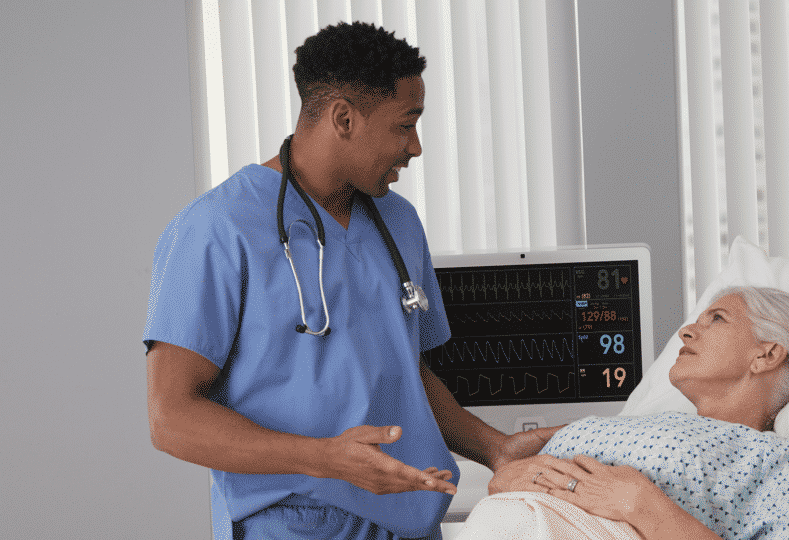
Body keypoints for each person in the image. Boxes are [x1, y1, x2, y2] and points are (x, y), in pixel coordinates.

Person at [144, 21, 558, 540]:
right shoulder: (215, 229)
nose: (416, 147)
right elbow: (172, 417)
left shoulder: (399, 222)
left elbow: (409, 374)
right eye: (405, 125)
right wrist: (324, 459)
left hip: (411, 518)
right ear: (344, 119)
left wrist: (494, 447)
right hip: (292, 524)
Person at [463, 286, 789, 539]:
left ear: (768, 353)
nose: (685, 332)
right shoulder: (648, 423)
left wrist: (642, 505)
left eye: (717, 318)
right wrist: (510, 478)